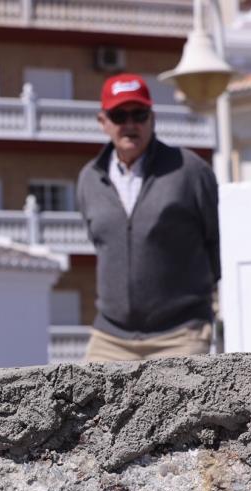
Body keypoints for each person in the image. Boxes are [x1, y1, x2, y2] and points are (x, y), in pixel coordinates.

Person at [76, 73, 220, 362]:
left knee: (182, 409)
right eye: (119, 115)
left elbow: (217, 242)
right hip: (110, 337)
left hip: (181, 335)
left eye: (139, 114)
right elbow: (101, 242)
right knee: (84, 405)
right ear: (103, 122)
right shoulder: (88, 179)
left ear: (152, 118)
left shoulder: (190, 171)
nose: (130, 125)